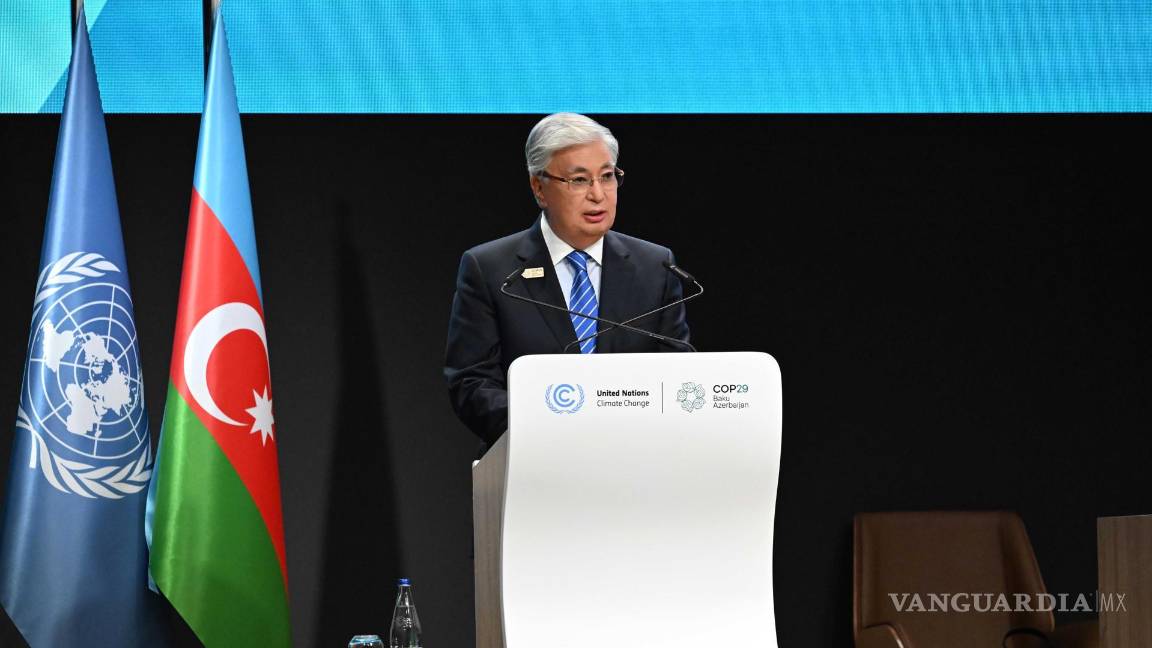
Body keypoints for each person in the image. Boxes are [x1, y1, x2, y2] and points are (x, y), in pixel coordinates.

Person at [444, 113, 690, 449]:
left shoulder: (655, 266)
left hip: (635, 461)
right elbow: (471, 382)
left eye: (607, 176)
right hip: (536, 466)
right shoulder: (491, 269)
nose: (598, 194)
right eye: (578, 180)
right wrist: (548, 432)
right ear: (539, 188)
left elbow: (675, 375)